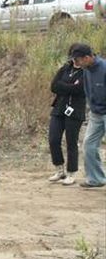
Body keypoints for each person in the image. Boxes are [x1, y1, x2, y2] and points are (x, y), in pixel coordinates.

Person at [47, 47, 86, 185]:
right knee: (53, 139)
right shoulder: (65, 68)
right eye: (73, 57)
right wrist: (70, 87)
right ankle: (59, 170)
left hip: (75, 111)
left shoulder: (86, 72)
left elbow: (80, 89)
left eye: (77, 57)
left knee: (71, 142)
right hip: (59, 108)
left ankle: (71, 173)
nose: (75, 60)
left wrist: (63, 86)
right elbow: (54, 86)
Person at [69, 43, 106, 188]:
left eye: (77, 60)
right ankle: (96, 179)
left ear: (87, 57)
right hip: (96, 113)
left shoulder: (104, 68)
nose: (76, 63)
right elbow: (88, 90)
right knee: (89, 145)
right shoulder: (86, 70)